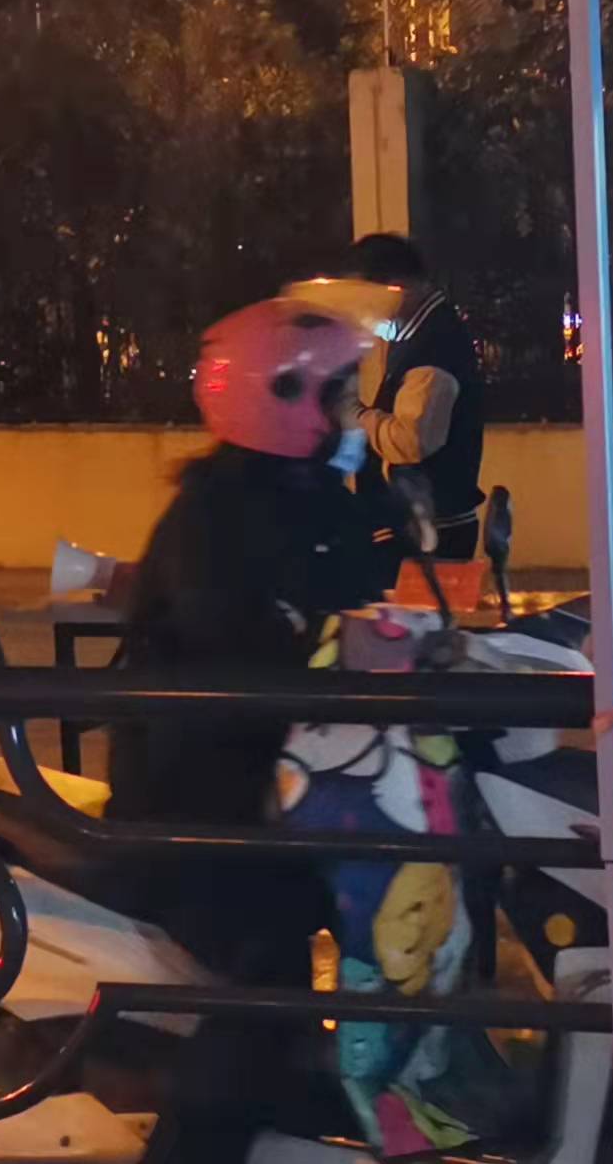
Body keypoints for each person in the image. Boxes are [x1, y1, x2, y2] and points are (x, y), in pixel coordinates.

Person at [97, 297, 380, 1163]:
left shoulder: (311, 495)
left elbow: (365, 596)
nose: (353, 412)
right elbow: (257, 650)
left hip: (290, 789)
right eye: (339, 393)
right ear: (281, 396)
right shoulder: (213, 520)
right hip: (203, 813)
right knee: (270, 977)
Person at [340, 234, 485, 589]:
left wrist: (354, 414)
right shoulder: (413, 334)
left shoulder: (435, 347)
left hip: (430, 535)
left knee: (422, 622)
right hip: (418, 527)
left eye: (365, 297)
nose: (362, 311)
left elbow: (411, 440)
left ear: (396, 287)